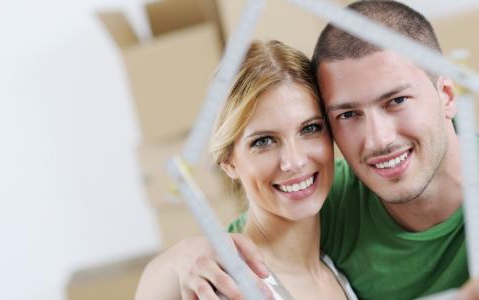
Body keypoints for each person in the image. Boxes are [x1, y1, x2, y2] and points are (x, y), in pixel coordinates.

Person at [136, 1, 479, 299]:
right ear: (227, 161)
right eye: (348, 114)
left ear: (447, 96)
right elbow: (217, 255)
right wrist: (179, 257)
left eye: (397, 101)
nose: (378, 140)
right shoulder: (322, 204)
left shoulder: (323, 251)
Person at [137, 39, 357, 300]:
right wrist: (171, 262)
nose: (294, 161)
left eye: (309, 129)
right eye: (263, 142)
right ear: (228, 162)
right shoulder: (230, 286)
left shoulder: (331, 272)